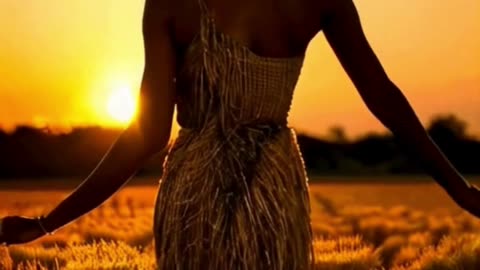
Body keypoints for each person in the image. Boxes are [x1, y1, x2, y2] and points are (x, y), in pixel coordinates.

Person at [1, 0, 479, 269]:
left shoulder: (172, 3)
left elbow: (147, 136)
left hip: (196, 203)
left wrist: (48, 223)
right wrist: (460, 190)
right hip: (277, 196)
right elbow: (384, 98)